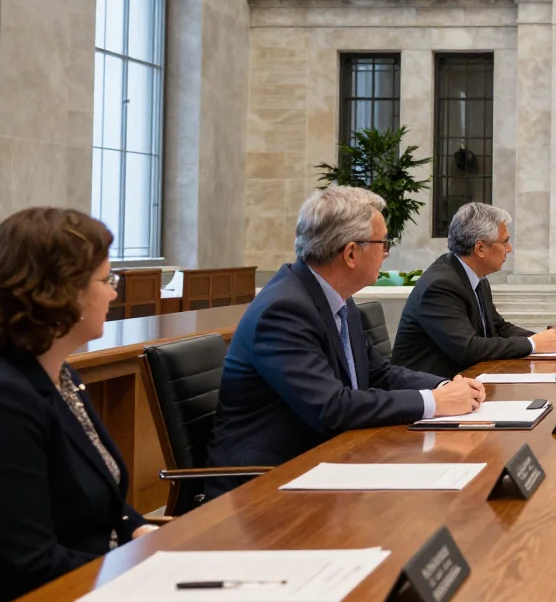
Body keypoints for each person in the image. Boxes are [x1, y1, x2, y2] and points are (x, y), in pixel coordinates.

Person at [0, 208, 158, 602]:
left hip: (78, 599)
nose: (114, 292)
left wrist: (139, 531)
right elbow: (28, 564)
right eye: (105, 281)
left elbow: (97, 492)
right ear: (61, 294)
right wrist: (136, 572)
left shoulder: (55, 374)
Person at [205, 187, 486, 494]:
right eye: (383, 243)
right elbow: (331, 408)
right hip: (265, 483)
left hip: (327, 459)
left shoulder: (336, 298)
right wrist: (433, 403)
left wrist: (443, 387)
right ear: (351, 253)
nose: (387, 253)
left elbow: (379, 372)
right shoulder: (283, 310)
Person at [392, 202, 556, 377]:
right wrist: (532, 344)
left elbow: (498, 328)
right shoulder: (440, 285)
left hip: (467, 381)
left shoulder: (476, 277)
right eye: (504, 242)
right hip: (430, 392)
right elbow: (468, 348)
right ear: (480, 248)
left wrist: (545, 339)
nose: (510, 249)